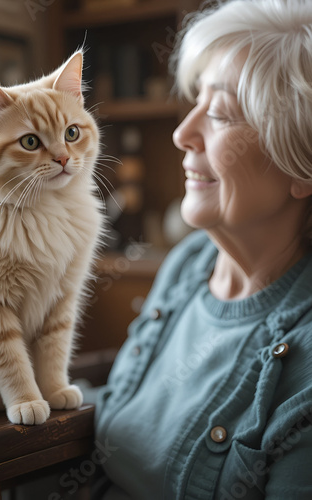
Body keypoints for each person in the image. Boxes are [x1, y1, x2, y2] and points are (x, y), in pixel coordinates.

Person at [94, 0, 312, 498]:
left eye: (219, 113)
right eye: (195, 102)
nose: (181, 133)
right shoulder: (188, 265)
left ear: (303, 164)